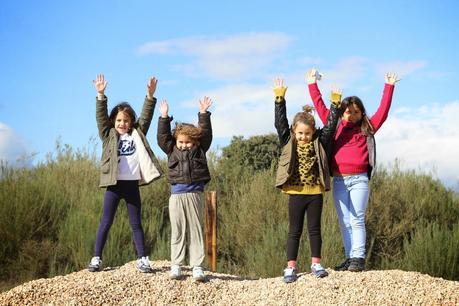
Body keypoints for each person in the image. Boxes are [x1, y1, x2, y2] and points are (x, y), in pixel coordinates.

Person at [307, 69, 399, 272]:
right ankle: (350, 258)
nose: (352, 114)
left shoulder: (367, 127)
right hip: (339, 180)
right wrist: (312, 84)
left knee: (357, 218)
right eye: (348, 111)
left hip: (359, 180)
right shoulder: (335, 126)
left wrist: (389, 87)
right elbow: (320, 106)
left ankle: (358, 257)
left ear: (361, 113)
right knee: (344, 221)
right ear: (341, 112)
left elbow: (382, 111)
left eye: (356, 111)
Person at [88, 74, 164, 273]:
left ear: (131, 122)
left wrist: (149, 96)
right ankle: (96, 258)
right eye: (119, 120)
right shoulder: (108, 134)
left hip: (131, 185)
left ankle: (142, 259)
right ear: (114, 121)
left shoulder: (137, 133)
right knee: (105, 222)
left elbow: (146, 117)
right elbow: (101, 117)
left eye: (126, 120)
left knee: (136, 223)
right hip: (114, 185)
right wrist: (100, 95)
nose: (122, 123)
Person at [273, 77, 341, 283]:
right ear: (294, 131)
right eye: (300, 133)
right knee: (294, 230)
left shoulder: (319, 141)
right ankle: (290, 267)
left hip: (314, 194)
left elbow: (330, 127)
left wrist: (335, 104)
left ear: (313, 132)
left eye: (307, 133)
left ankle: (316, 264)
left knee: (314, 229)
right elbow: (280, 123)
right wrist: (279, 98)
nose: (303, 137)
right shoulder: (288, 140)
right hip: (295, 193)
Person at [157, 97, 213, 282]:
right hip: (176, 195)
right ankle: (177, 264)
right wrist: (164, 117)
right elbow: (162, 137)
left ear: (195, 142)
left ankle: (197, 266)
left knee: (196, 230)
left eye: (188, 142)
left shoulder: (200, 148)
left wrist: (203, 114)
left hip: (195, 194)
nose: (184, 145)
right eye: (181, 142)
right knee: (178, 230)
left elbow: (206, 135)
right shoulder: (171, 149)